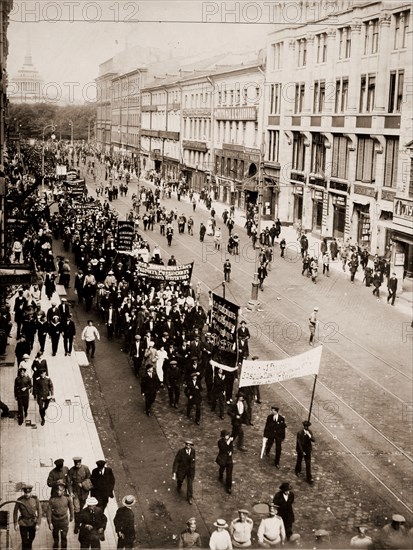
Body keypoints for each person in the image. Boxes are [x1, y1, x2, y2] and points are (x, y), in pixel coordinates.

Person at [13, 484, 42, 550]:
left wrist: (38, 523)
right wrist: (15, 523)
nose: (27, 494)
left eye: (28, 492)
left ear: (31, 492)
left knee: (31, 539)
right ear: (24, 492)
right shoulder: (19, 500)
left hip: (32, 522)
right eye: (25, 492)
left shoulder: (35, 499)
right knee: (24, 540)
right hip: (23, 522)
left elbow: (40, 511)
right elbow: (15, 512)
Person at [47, 482, 74, 550]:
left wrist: (71, 516)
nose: (59, 492)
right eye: (57, 490)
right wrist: (49, 523)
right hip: (55, 520)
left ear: (64, 490)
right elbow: (49, 511)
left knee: (64, 536)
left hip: (64, 520)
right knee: (55, 537)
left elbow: (71, 508)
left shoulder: (67, 498)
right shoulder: (52, 499)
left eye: (60, 490)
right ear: (55, 490)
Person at [69, 457, 92, 533]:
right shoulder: (71, 470)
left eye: (79, 463)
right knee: (76, 509)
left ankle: (81, 521)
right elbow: (69, 483)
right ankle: (77, 525)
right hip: (76, 492)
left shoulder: (85, 468)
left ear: (80, 462)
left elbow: (89, 477)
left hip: (84, 492)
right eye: (76, 464)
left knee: (81, 508)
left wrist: (83, 484)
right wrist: (71, 492)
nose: (77, 465)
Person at [172, 440, 196, 505]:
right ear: (185, 445)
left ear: (191, 446)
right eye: (187, 444)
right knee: (180, 479)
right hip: (182, 469)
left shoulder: (193, 451)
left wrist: (192, 468)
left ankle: (189, 497)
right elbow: (176, 461)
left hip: (190, 470)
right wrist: (174, 472)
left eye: (189, 445)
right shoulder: (181, 452)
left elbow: (193, 460)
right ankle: (179, 485)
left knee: (190, 484)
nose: (188, 446)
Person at [216, 430, 234, 494]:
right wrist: (229, 442)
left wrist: (231, 452)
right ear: (223, 436)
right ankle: (220, 475)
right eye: (226, 435)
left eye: (228, 435)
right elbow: (223, 449)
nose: (228, 436)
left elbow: (231, 448)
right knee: (222, 469)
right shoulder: (220, 442)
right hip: (223, 459)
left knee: (229, 474)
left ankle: (228, 487)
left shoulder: (230, 441)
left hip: (229, 459)